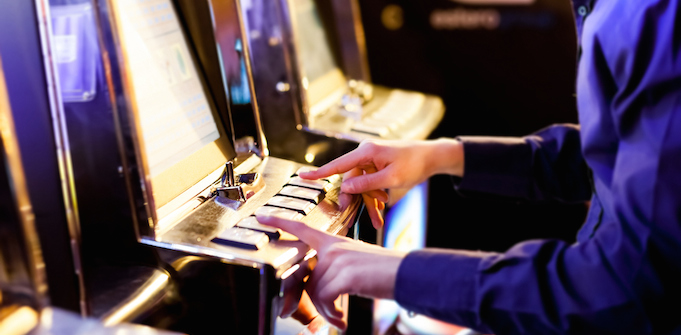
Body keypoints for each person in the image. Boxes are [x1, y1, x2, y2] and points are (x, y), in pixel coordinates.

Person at [257, 0, 681, 333]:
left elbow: (631, 289)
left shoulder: (657, 16)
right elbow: (615, 155)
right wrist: (443, 156)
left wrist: (401, 272)